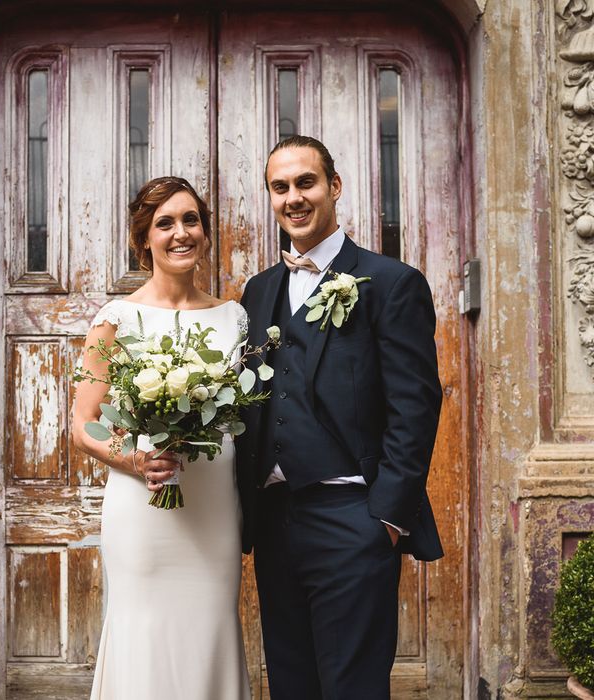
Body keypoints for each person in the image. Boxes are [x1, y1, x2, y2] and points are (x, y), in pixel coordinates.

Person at [235, 135, 444, 699]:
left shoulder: (391, 283)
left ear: (334, 187)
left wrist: (386, 520)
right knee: (291, 685)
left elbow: (416, 406)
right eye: (280, 187)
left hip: (354, 517)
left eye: (306, 182)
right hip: (277, 521)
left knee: (352, 688)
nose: (293, 198)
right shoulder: (258, 292)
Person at [72, 176, 250, 700]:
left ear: (205, 232)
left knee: (210, 629)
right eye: (165, 223)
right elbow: (82, 426)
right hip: (143, 512)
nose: (180, 233)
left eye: (191, 220)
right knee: (143, 632)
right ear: (143, 239)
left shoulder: (234, 317)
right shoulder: (114, 319)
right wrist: (135, 461)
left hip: (215, 511)